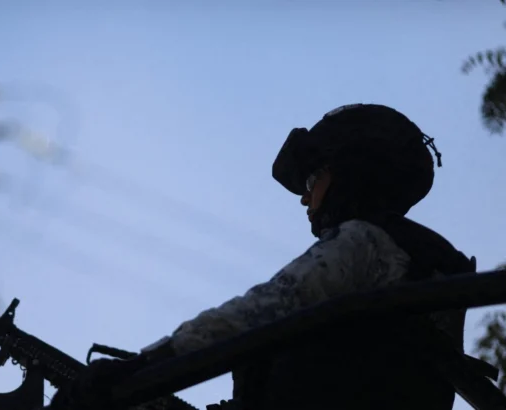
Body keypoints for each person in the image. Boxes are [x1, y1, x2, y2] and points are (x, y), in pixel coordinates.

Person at [51, 104, 477, 410]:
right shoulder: (433, 260)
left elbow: (263, 310)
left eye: (312, 180)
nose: (306, 198)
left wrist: (144, 366)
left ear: (350, 173)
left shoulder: (366, 241)